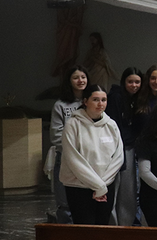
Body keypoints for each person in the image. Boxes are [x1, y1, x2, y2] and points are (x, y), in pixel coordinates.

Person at [60, 84, 124, 225]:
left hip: (106, 185)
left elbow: (118, 157)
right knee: (85, 230)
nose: (100, 104)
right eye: (95, 99)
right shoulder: (73, 124)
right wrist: (97, 185)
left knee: (102, 227)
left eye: (104, 100)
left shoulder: (111, 125)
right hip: (79, 187)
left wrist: (103, 185)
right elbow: (73, 159)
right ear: (85, 101)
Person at [49, 64, 89, 224]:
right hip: (66, 157)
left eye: (83, 77)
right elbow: (56, 135)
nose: (80, 80)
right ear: (69, 81)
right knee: (64, 203)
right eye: (76, 77)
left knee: (84, 202)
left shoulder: (92, 102)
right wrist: (75, 148)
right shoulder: (61, 105)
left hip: (88, 159)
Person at [106, 67, 142, 226]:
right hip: (115, 150)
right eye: (130, 82)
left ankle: (125, 226)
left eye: (137, 82)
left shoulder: (138, 99)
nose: (134, 85)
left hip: (131, 148)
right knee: (115, 189)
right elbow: (114, 127)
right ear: (124, 82)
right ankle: (113, 226)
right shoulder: (115, 98)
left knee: (129, 191)